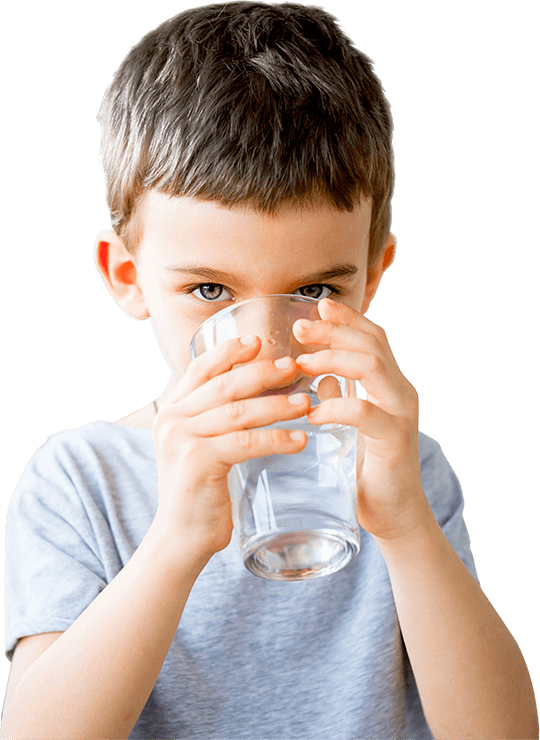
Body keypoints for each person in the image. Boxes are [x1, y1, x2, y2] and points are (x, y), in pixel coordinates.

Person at [3, 2, 537, 739]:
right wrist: (178, 538)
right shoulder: (81, 478)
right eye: (210, 292)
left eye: (315, 291)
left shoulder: (404, 469)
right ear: (127, 276)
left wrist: (408, 524)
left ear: (372, 278)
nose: (271, 351)